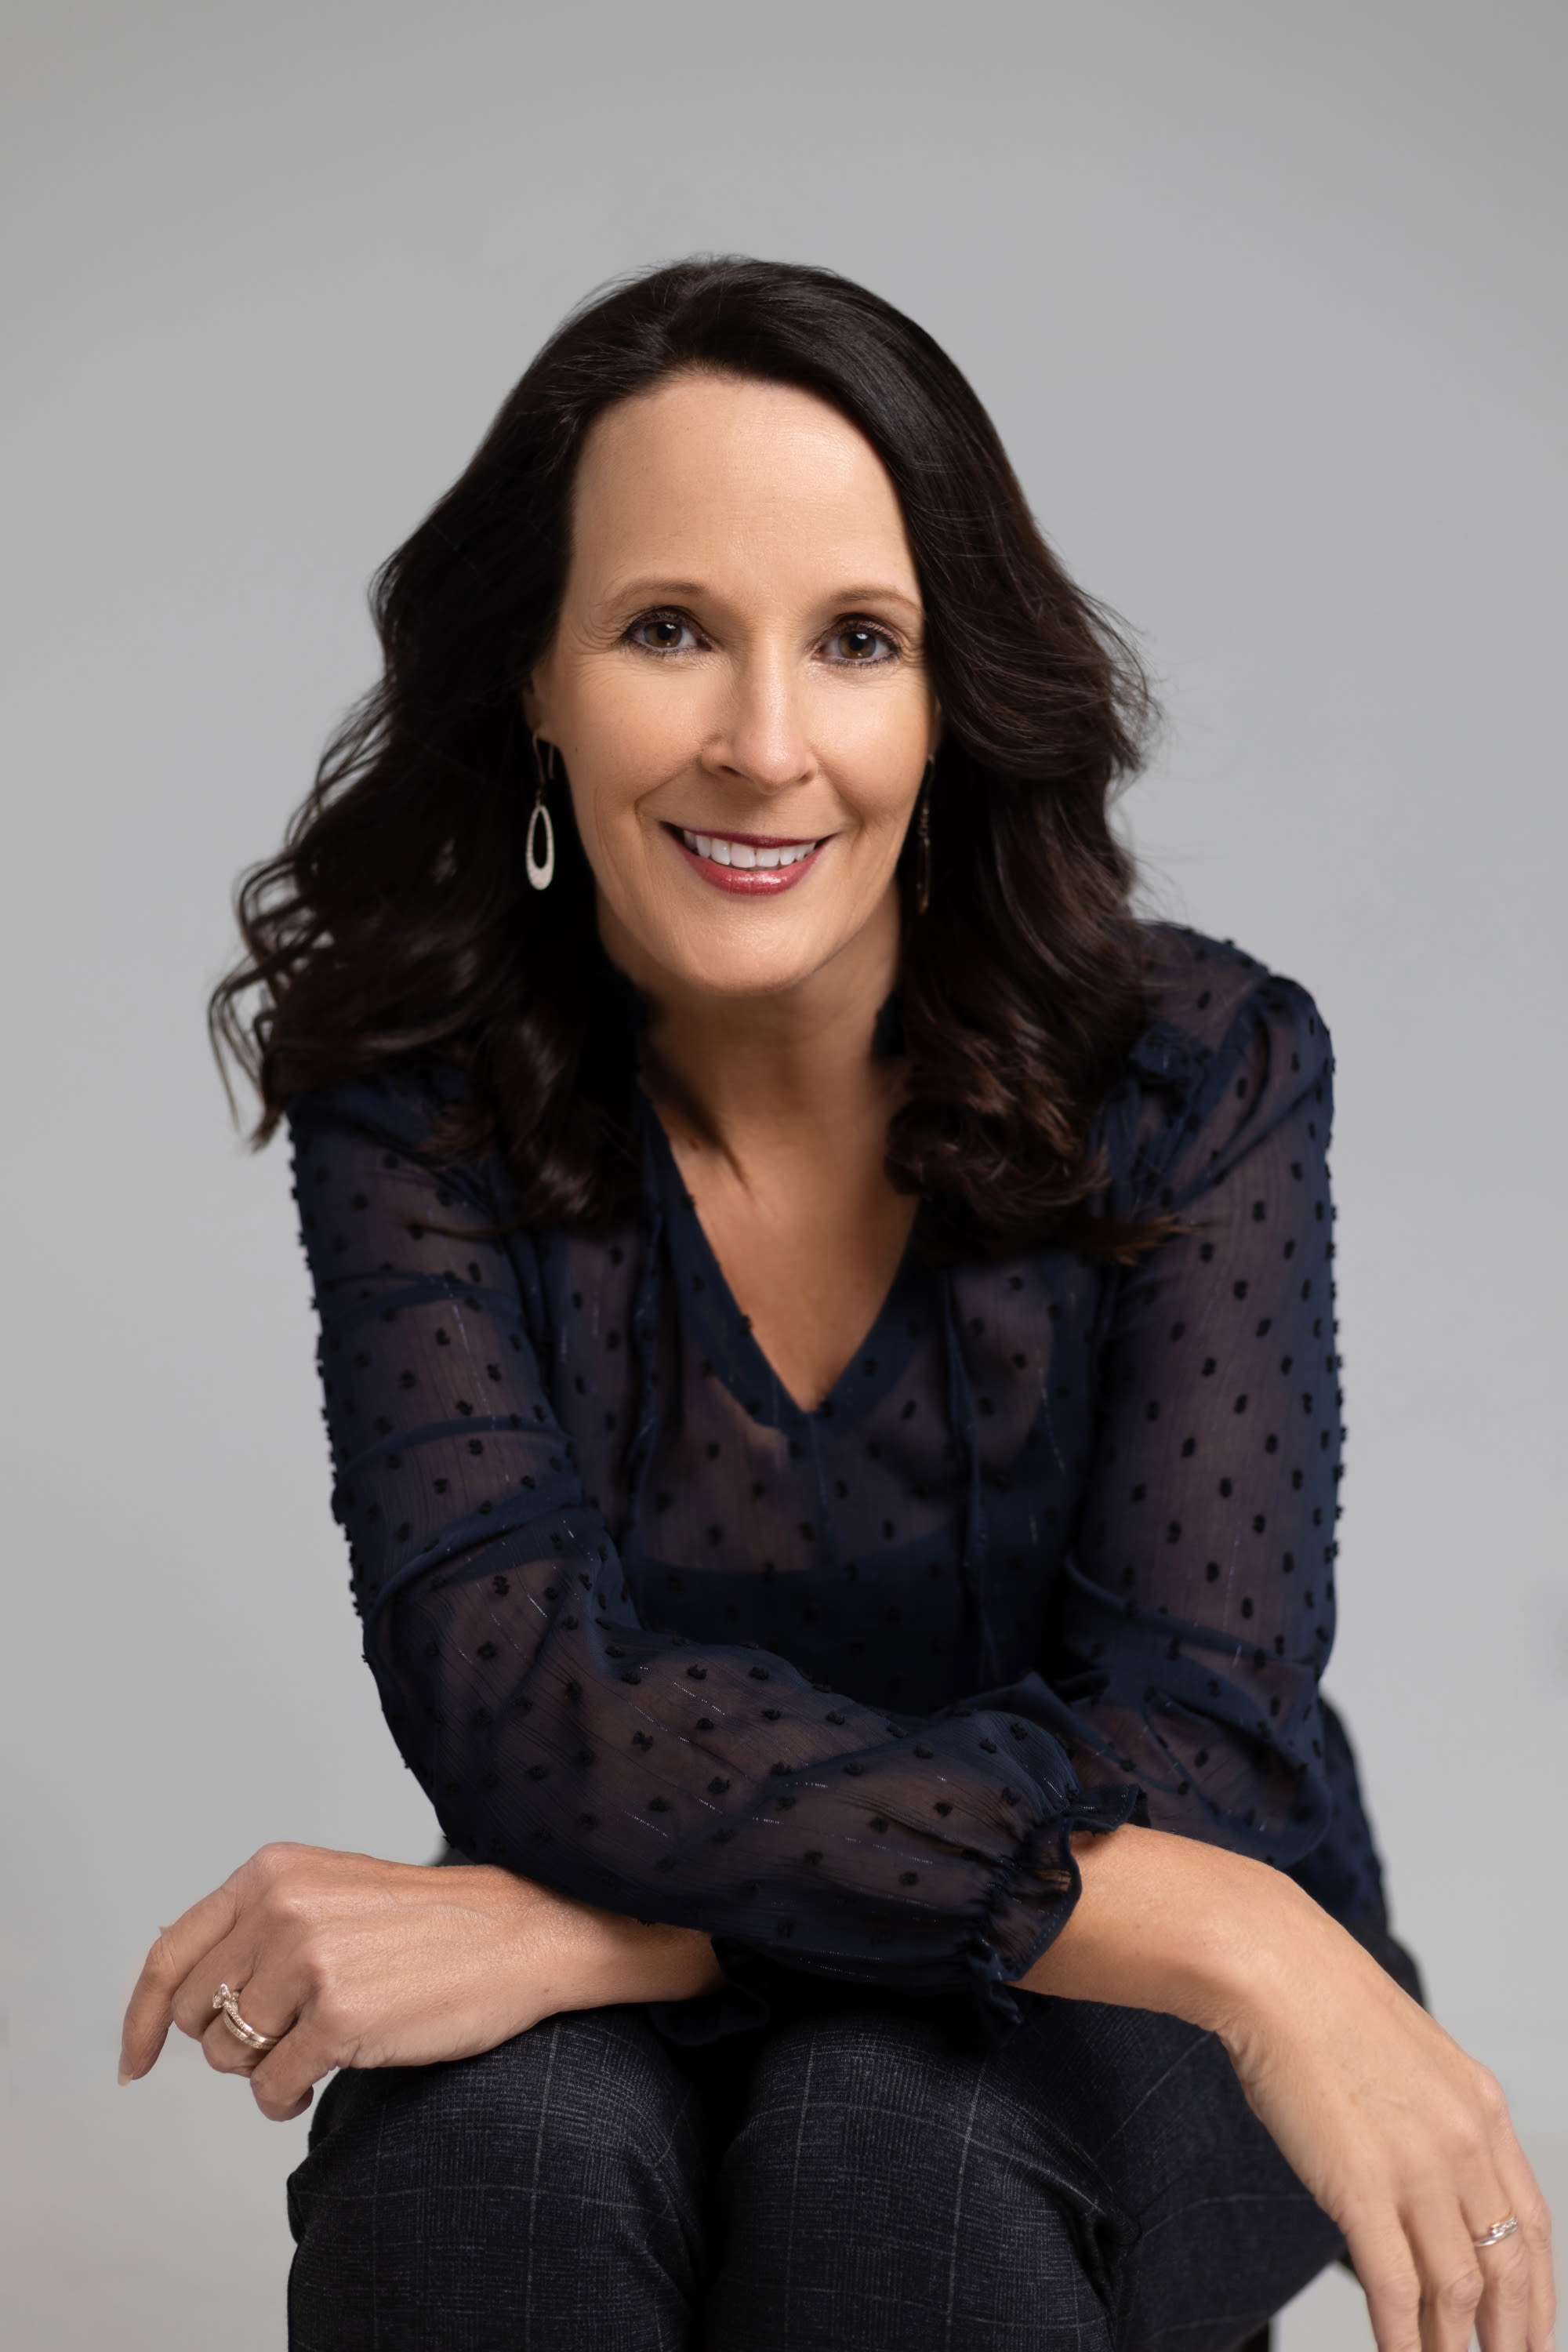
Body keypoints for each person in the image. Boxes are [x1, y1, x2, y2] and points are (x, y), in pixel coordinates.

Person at [120, 259, 1552, 2352]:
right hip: (1028, 1923)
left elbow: (1193, 1761)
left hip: (1151, 1990)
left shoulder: (1197, 1075)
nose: (764, 745)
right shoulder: (420, 1096)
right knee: (482, 2179)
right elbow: (520, 1706)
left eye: (858, 640)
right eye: (669, 629)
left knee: (897, 2162)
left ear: (952, 696)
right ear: (536, 676)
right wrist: (692, 1944)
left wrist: (651, 1930)